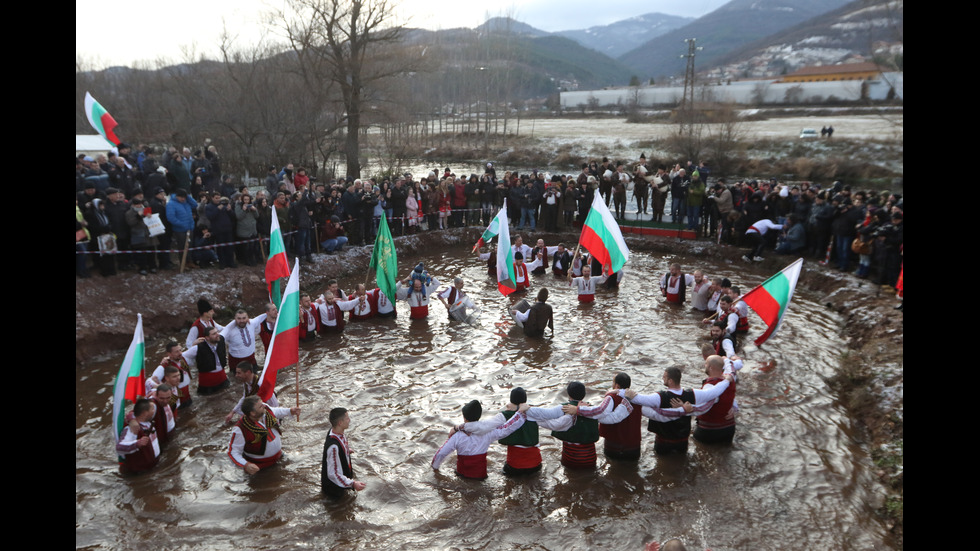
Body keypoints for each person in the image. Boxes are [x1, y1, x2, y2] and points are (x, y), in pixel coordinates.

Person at [457, 388, 575, 476]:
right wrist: (573, 413)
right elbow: (556, 424)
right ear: (525, 400)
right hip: (535, 465)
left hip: (514, 466)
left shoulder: (504, 415)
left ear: (511, 400)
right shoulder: (534, 413)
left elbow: (483, 427)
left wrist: (461, 427)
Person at [625, 367, 733, 455]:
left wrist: (625, 393)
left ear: (670, 381)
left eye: (664, 377)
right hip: (682, 441)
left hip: (663, 442)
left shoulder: (659, 397)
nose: (662, 379)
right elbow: (714, 393)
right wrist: (727, 380)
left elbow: (640, 400)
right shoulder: (693, 394)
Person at [431, 400, 530, 479]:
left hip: (463, 476)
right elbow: (506, 428)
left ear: (465, 418)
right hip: (481, 476)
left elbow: (441, 453)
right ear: (479, 416)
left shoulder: (457, 436)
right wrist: (520, 413)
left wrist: (435, 468)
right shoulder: (487, 433)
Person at [565, 372, 642, 460]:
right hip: (635, 447)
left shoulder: (612, 397)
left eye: (613, 382)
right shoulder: (637, 398)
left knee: (613, 471)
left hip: (615, 447)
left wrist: (578, 410)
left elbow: (600, 411)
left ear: (616, 385)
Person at [228, 395, 301, 474]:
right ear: (252, 413)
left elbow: (276, 411)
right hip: (259, 468)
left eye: (262, 403)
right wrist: (246, 465)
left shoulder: (265, 410)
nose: (264, 406)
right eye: (260, 406)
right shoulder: (240, 429)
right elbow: (233, 452)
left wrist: (290, 411)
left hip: (280, 457)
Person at [321, 407, 368, 498]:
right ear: (340, 423)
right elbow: (333, 474)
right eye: (347, 418)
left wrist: (345, 450)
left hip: (341, 484)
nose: (349, 420)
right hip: (334, 491)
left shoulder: (336, 431)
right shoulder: (333, 447)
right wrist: (353, 484)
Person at [691, 356, 738, 444]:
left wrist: (685, 408)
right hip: (729, 429)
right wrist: (734, 408)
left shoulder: (709, 386)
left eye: (706, 364)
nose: (704, 365)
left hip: (709, 431)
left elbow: (703, 408)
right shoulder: (730, 379)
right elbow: (732, 369)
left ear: (711, 367)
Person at [116, 398, 161, 474]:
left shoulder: (148, 423)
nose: (155, 411)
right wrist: (137, 443)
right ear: (145, 413)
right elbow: (119, 447)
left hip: (153, 467)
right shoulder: (132, 429)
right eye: (152, 409)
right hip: (141, 473)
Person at [183, 326, 230, 395]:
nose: (217, 334)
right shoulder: (197, 348)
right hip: (207, 383)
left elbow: (228, 328)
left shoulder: (220, 339)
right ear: (207, 337)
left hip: (222, 378)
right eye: (214, 334)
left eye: (217, 332)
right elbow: (182, 356)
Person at [220, 309, 268, 373]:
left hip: (251, 359)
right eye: (239, 318)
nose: (242, 321)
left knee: (255, 378)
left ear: (248, 318)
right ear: (235, 319)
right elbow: (220, 337)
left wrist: (275, 312)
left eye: (244, 318)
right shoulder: (229, 329)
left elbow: (260, 318)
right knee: (237, 380)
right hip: (236, 361)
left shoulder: (252, 323)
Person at [150, 341, 194, 407]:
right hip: (174, 400)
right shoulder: (163, 367)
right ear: (169, 354)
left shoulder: (183, 359)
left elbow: (193, 351)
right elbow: (151, 381)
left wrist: (195, 343)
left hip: (187, 397)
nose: (180, 353)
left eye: (180, 350)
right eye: (176, 352)